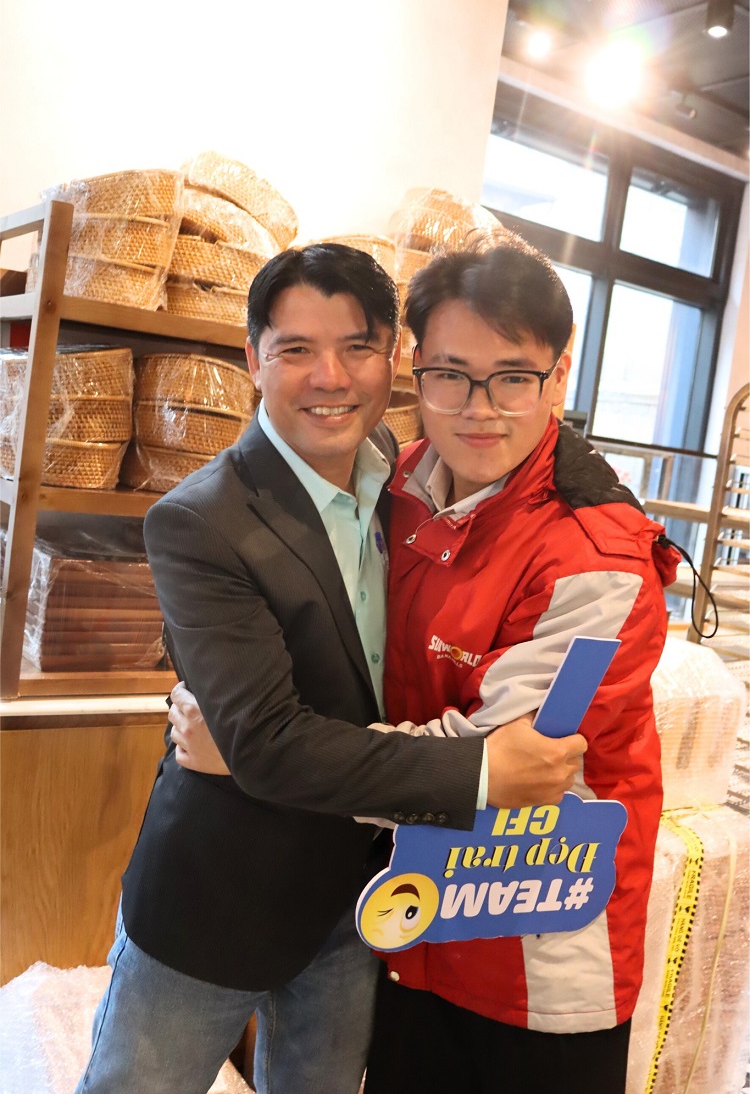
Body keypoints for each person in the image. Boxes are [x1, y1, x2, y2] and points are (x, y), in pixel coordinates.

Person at [174, 233, 679, 1094]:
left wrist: (255, 754)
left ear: (559, 377)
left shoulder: (597, 555)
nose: (479, 409)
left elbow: (498, 763)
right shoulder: (397, 485)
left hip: (534, 956)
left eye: (513, 377)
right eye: (451, 374)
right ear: (415, 368)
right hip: (413, 929)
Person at [75, 242, 584, 1094]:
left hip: (354, 907)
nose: (330, 377)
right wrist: (482, 769)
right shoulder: (199, 521)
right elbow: (268, 742)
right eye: (296, 350)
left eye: (356, 347)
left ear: (394, 359)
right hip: (216, 897)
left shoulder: (406, 473)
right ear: (254, 359)